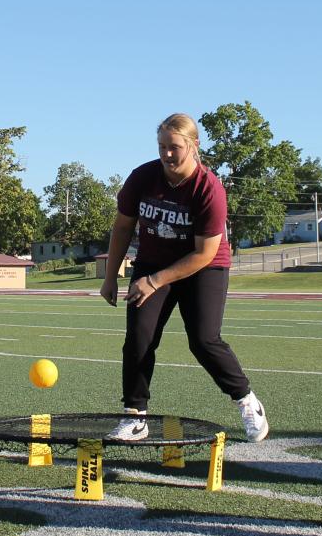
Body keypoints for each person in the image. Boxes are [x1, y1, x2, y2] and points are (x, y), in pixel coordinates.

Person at [99, 113, 269, 443]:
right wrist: (110, 278)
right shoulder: (142, 178)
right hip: (153, 262)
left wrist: (156, 280)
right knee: (139, 335)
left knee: (204, 340)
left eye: (174, 147)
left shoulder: (209, 189)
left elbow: (204, 253)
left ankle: (246, 400)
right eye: (162, 146)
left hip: (204, 266)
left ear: (193, 145)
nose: (166, 154)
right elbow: (122, 227)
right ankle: (135, 417)